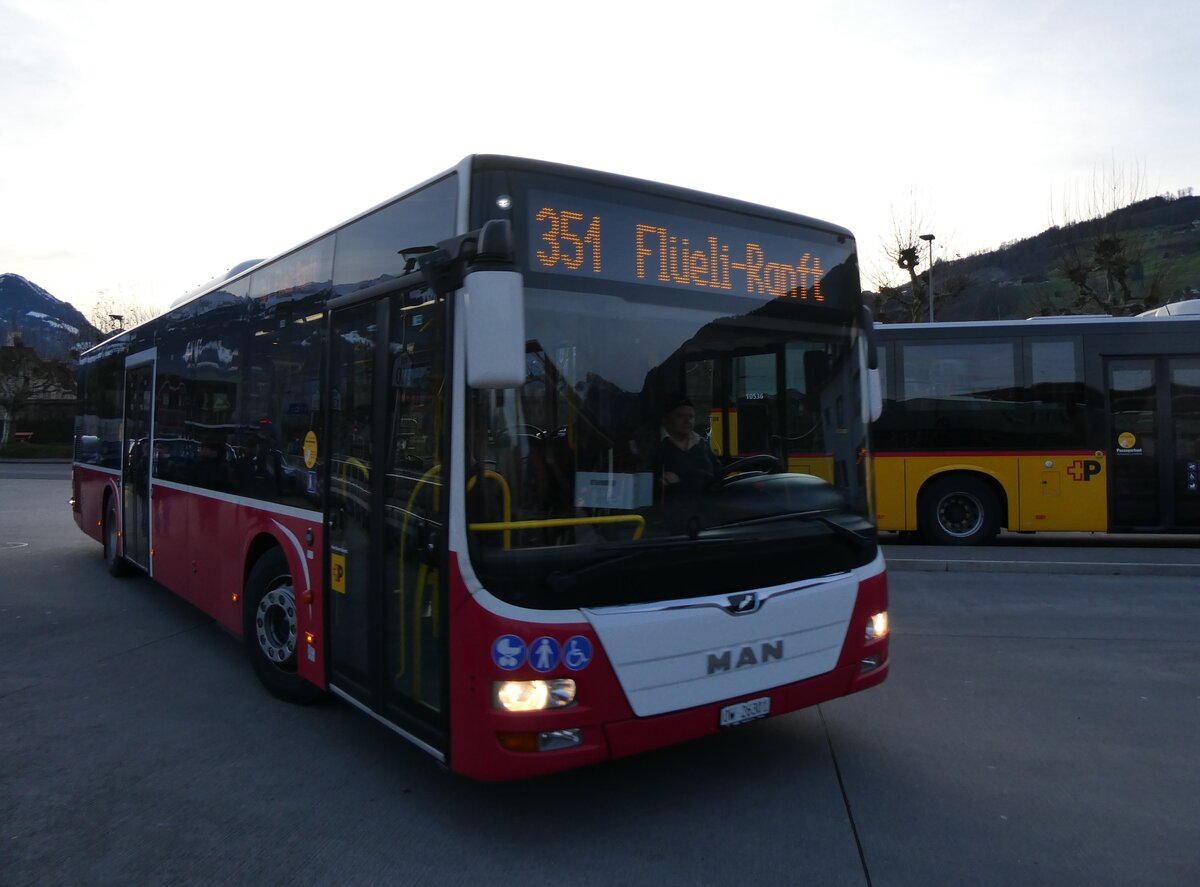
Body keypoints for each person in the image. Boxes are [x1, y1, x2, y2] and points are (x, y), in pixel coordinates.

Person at [650, 394, 723, 498]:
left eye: (691, 416)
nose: (687, 420)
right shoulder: (654, 446)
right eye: (680, 416)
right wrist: (659, 480)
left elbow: (718, 474)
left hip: (705, 505)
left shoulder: (703, 444)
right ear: (665, 419)